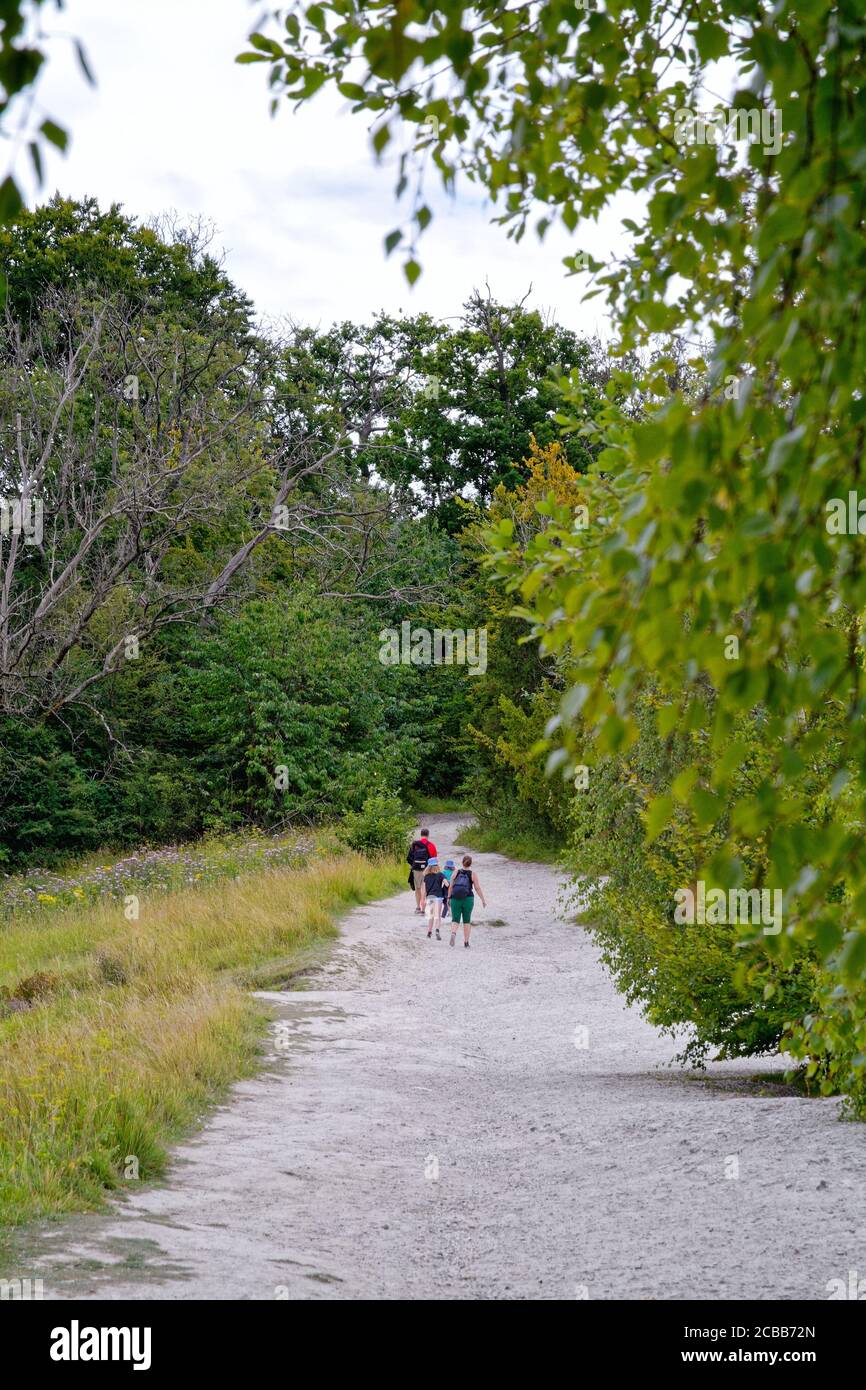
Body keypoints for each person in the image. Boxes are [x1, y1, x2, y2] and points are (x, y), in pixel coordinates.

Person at [448, 854, 486, 948]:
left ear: (462, 862)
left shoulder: (456, 872)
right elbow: (477, 888)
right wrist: (483, 900)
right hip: (468, 899)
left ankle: (453, 933)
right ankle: (466, 942)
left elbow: (451, 886)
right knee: (466, 920)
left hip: (455, 898)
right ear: (470, 864)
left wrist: (449, 897)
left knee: (455, 919)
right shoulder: (473, 874)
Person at [406, 827, 437, 914]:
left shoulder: (415, 844)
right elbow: (434, 859)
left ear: (421, 834)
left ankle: (418, 907)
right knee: (426, 888)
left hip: (416, 869)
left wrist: (413, 865)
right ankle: (425, 908)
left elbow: (409, 858)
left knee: (418, 888)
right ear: (428, 835)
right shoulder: (431, 845)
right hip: (427, 869)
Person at [423, 858, 447, 940]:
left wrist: (423, 900)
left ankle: (429, 932)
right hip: (439, 897)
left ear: (428, 866)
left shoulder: (426, 876)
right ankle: (437, 930)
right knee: (438, 916)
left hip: (430, 897)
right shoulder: (440, 874)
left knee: (431, 916)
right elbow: (447, 884)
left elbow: (424, 891)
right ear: (437, 865)